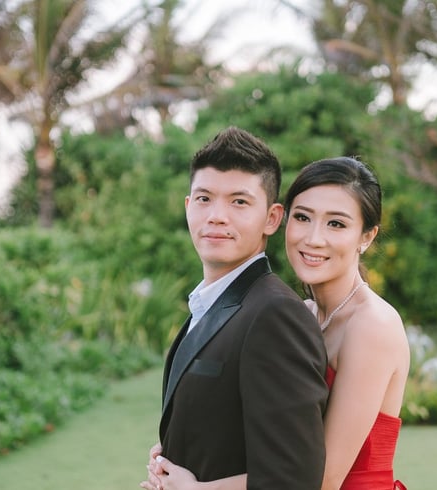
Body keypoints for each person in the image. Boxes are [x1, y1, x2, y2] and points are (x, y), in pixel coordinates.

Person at [143, 156, 410, 490]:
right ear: (282, 219)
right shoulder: (304, 313)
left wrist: (198, 489)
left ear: (367, 237)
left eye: (336, 224)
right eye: (303, 217)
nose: (313, 238)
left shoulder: (372, 325)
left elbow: (322, 478)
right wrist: (181, 453)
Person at [141, 127, 329, 490]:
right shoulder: (208, 304)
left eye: (239, 202)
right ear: (187, 207)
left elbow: (294, 477)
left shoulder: (275, 314)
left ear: (272, 219)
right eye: (204, 199)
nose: (217, 216)